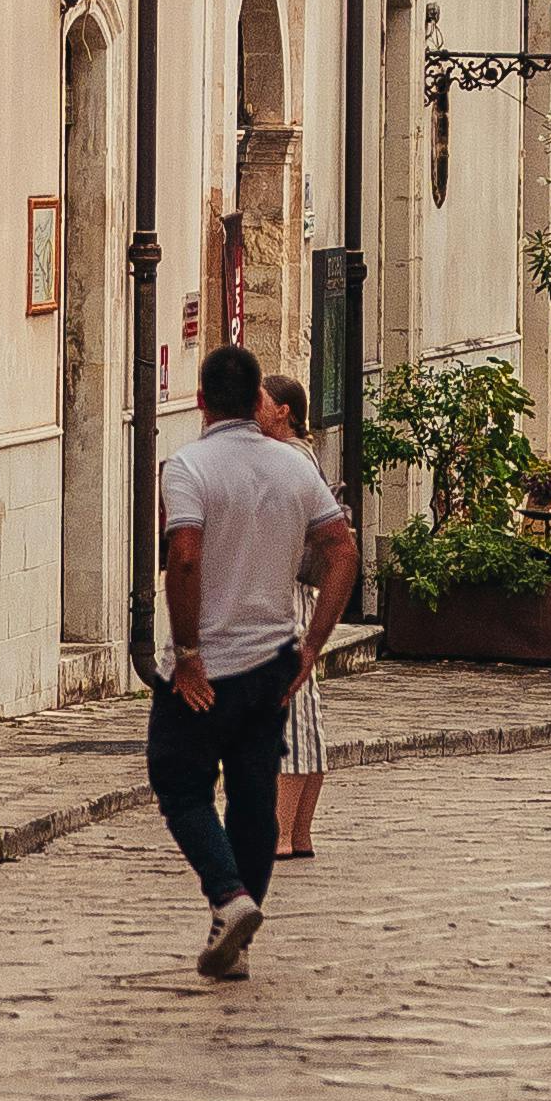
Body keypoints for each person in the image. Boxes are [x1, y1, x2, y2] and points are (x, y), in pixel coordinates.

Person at [151, 337, 351, 979]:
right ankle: (234, 932)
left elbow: (183, 556)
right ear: (259, 398)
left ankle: (229, 898)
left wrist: (186, 654)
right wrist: (314, 641)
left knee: (181, 786)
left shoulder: (187, 467)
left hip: (205, 667)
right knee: (251, 796)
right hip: (271, 662)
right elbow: (342, 552)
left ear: (202, 399)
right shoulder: (295, 468)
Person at [255, 369, 350, 867]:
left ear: (283, 412)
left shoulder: (282, 460)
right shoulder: (300, 457)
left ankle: (279, 834)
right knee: (304, 712)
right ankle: (298, 832)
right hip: (295, 590)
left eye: (260, 403)